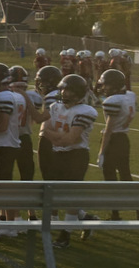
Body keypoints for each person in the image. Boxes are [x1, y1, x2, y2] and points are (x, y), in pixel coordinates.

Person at [40, 74, 98, 248]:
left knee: (70, 195)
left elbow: (70, 140)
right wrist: (58, 137)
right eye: (63, 88)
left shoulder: (85, 111)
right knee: (56, 195)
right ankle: (88, 219)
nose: (63, 92)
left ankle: (65, 235)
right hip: (57, 153)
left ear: (78, 93)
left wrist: (55, 137)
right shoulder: (55, 107)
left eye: (68, 89)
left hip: (76, 156)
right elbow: (44, 129)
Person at [97, 69, 139, 221]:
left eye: (106, 85)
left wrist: (101, 152)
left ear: (113, 86)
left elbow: (109, 129)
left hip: (114, 140)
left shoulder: (113, 102)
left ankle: (115, 213)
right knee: (126, 176)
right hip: (124, 139)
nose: (104, 88)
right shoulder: (130, 95)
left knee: (110, 179)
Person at [0, 63, 25, 238]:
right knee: (5, 186)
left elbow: (1, 126)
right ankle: (8, 220)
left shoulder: (3, 96)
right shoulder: (13, 95)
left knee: (4, 187)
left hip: (5, 144)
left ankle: (10, 225)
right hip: (10, 142)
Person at [10, 65, 40, 221]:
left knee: (25, 178)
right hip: (20, 138)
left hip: (14, 138)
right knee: (20, 178)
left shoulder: (6, 96)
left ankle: (26, 214)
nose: (20, 89)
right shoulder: (32, 96)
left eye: (22, 86)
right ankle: (24, 214)